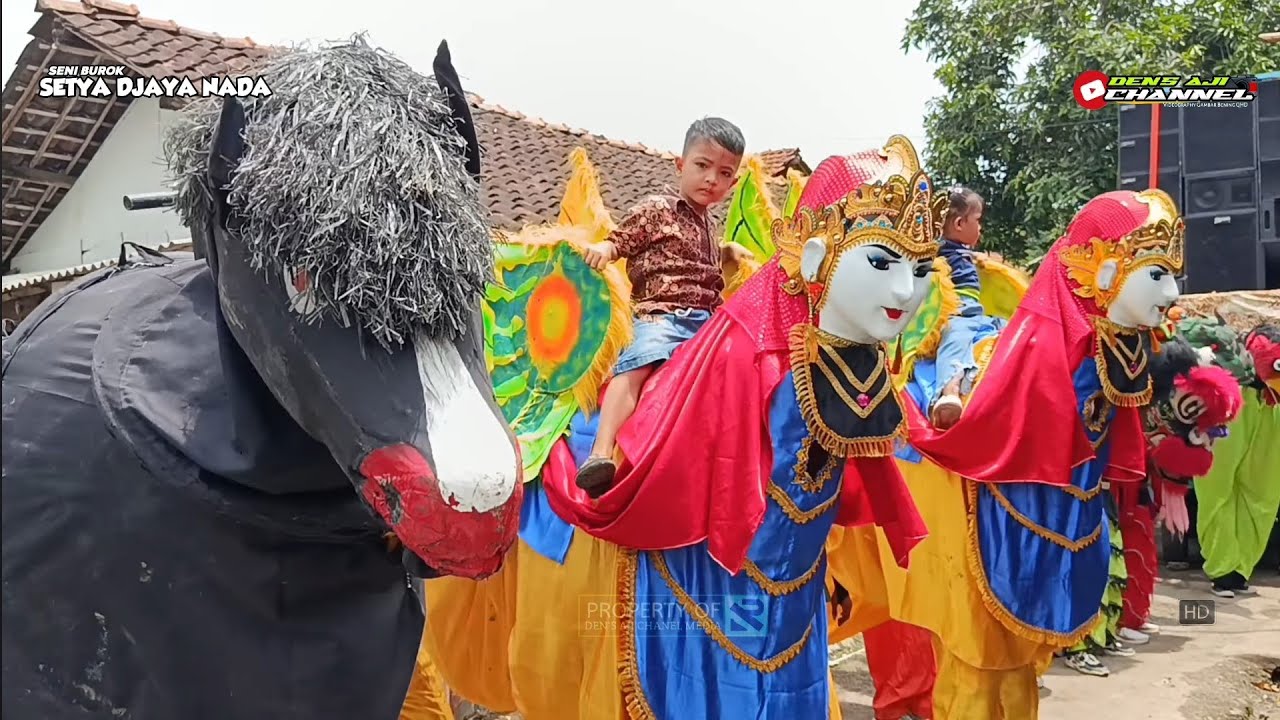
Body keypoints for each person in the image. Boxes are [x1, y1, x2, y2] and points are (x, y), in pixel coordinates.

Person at [574, 116, 751, 496]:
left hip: (706, 323)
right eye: (702, 165)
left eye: (724, 173)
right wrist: (605, 248)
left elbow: (697, 264)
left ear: (733, 183)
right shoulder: (658, 208)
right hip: (661, 315)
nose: (711, 179)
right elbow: (622, 240)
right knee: (638, 363)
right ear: (681, 164)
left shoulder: (709, 225)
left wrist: (725, 252)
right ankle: (600, 453)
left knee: (745, 367)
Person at [929, 186, 1007, 428]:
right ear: (960, 223)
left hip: (977, 313)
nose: (980, 227)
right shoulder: (939, 251)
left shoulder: (961, 251)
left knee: (1010, 329)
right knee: (956, 338)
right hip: (958, 311)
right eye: (978, 220)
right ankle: (949, 391)